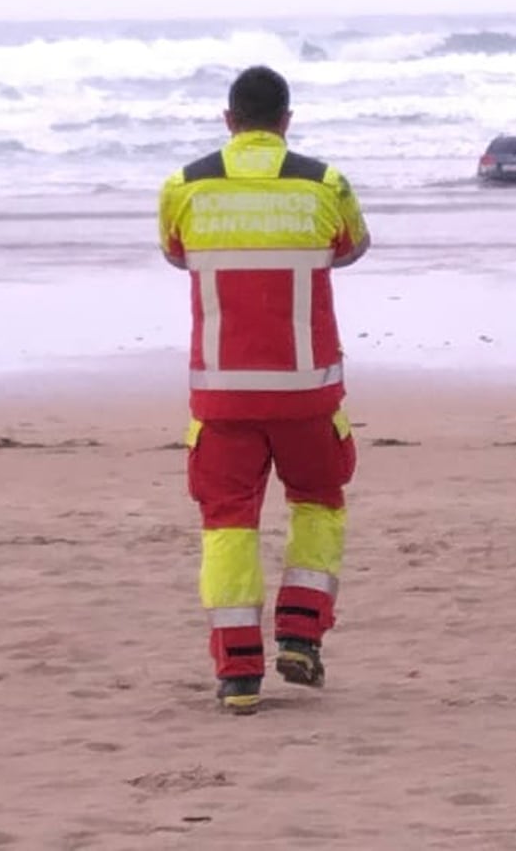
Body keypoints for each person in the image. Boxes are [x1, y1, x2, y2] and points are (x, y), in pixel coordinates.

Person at [155, 64, 371, 715]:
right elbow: (352, 247)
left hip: (222, 395)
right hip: (308, 389)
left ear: (229, 121)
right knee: (318, 501)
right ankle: (302, 633)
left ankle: (238, 674)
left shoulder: (185, 187)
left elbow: (175, 253)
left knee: (228, 524)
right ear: (286, 121)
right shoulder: (322, 183)